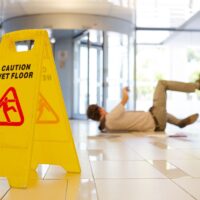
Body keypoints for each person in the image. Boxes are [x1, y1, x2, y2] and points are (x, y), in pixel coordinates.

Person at [87, 80, 200, 132]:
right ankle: (195, 85)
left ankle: (179, 123)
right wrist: (124, 90)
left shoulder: (107, 127)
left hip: (156, 124)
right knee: (162, 84)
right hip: (155, 118)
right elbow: (125, 99)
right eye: (100, 107)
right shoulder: (110, 118)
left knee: (161, 113)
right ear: (100, 110)